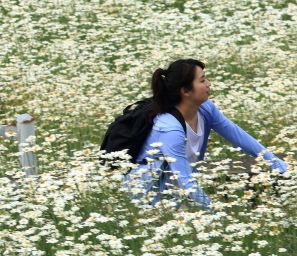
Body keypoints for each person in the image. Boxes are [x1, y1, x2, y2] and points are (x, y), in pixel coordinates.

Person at [123, 58, 288, 211]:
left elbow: (238, 135)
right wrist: (216, 212)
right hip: (146, 196)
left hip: (175, 191)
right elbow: (186, 181)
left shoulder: (205, 108)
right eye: (202, 80)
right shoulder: (170, 129)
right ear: (185, 91)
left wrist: (276, 163)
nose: (208, 84)